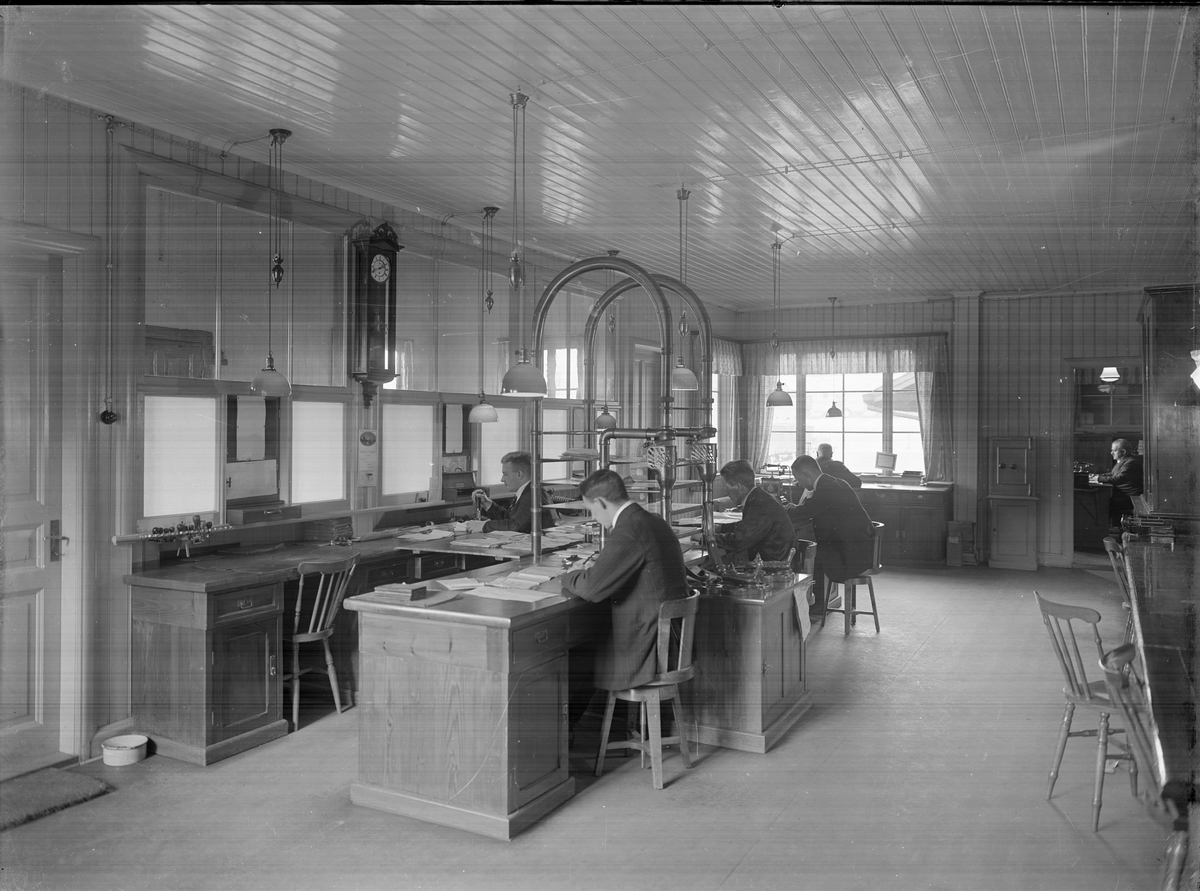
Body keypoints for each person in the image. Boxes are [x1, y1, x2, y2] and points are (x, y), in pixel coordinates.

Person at [559, 470, 689, 711]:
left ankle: (569, 731)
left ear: (600, 502)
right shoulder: (653, 521)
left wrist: (569, 575)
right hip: (670, 641)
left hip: (648, 648)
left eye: (591, 510)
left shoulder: (629, 530)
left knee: (572, 656)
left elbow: (591, 588)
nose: (594, 517)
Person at [787, 455, 874, 619]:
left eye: (798, 479)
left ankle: (810, 608)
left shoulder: (827, 488)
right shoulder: (833, 482)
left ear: (807, 474)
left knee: (805, 558)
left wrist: (785, 509)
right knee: (810, 553)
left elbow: (805, 512)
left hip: (852, 555)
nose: (798, 484)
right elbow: (811, 508)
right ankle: (813, 606)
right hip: (856, 548)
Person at [713, 459, 795, 565]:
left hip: (774, 567)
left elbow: (739, 541)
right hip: (775, 560)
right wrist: (721, 528)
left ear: (738, 486)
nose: (725, 490)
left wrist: (708, 538)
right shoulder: (760, 497)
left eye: (725, 485)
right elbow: (747, 526)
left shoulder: (760, 506)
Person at [465, 451, 554, 533]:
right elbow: (510, 519)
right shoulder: (528, 491)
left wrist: (484, 526)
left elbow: (515, 526)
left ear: (519, 474)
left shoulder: (532, 495)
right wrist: (487, 504)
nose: (502, 479)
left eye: (505, 474)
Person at [1094, 438, 1144, 529]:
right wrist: (1098, 476)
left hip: (1129, 498)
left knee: (1103, 505)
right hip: (1122, 495)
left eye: (1114, 450)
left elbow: (1118, 479)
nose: (1111, 453)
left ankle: (1102, 529)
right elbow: (1113, 474)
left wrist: (1098, 478)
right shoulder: (1123, 460)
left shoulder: (1131, 462)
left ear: (1123, 452)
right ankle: (1103, 529)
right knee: (1102, 503)